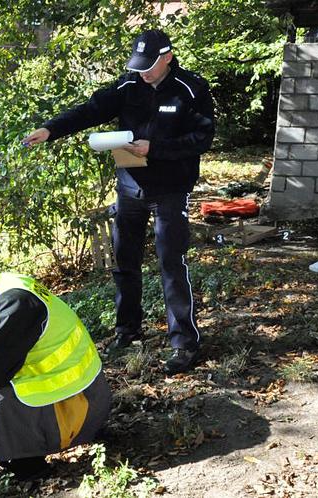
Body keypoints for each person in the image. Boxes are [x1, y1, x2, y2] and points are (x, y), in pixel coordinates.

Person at [23, 29, 215, 375]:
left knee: (171, 264)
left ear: (168, 58)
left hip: (171, 189)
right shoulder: (128, 86)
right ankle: (128, 332)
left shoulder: (192, 89)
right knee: (124, 261)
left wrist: (155, 149)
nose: (143, 71)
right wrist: (50, 130)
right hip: (130, 187)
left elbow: (202, 138)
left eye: (150, 65)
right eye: (138, 64)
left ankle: (184, 343)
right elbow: (89, 111)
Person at [0, 268, 111, 480]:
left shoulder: (13, 304)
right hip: (82, 385)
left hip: (81, 400)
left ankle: (30, 464)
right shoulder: (4, 285)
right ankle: (16, 450)